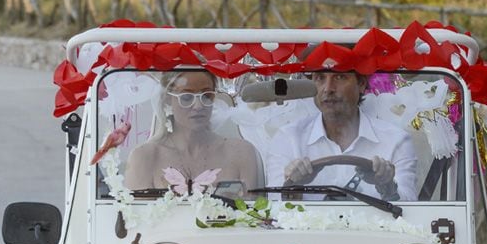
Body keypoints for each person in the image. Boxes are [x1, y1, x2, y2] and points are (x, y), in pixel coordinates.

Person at [266, 72, 417, 201]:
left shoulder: (396, 140)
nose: (328, 88)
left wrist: (388, 185)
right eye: (320, 78)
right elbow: (273, 212)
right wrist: (293, 188)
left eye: (339, 77)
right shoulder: (288, 137)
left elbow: (412, 211)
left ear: (361, 83)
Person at [125, 71, 260, 192]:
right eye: (186, 97)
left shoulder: (242, 153)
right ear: (167, 100)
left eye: (206, 96)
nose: (198, 106)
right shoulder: (144, 157)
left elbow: (255, 215)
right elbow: (134, 217)